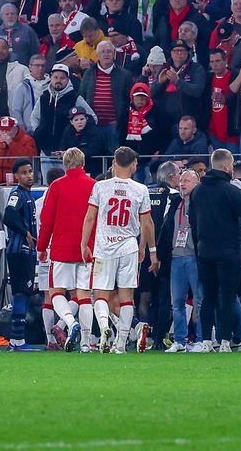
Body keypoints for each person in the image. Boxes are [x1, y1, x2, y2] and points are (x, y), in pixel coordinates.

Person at [80, 146, 156, 354]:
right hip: (128, 246)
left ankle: (105, 328)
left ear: (113, 163)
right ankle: (121, 343)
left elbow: (89, 217)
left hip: (104, 247)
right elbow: (147, 223)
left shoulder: (100, 187)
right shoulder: (140, 189)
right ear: (134, 165)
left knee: (101, 295)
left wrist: (83, 242)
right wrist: (146, 248)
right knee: (127, 297)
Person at [188, 149, 241, 352]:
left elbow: (193, 223)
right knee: (228, 297)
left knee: (208, 297)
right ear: (226, 166)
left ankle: (206, 340)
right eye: (231, 166)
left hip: (205, 252)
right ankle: (224, 341)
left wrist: (199, 247)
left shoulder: (197, 191)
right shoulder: (232, 191)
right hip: (229, 252)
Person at [37, 147, 95, 352]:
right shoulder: (94, 185)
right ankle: (86, 343)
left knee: (56, 292)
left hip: (61, 248)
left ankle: (70, 323)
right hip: (86, 249)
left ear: (64, 164)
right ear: (83, 163)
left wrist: (41, 247)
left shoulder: (56, 186)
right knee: (84, 295)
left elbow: (47, 221)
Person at [161, 168, 204, 352]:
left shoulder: (201, 203)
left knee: (199, 301)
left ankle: (202, 339)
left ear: (196, 184)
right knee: (177, 301)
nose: (182, 183)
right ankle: (179, 340)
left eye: (187, 180)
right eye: (182, 180)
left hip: (195, 257)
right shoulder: (175, 203)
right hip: (177, 257)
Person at [0, 159, 39, 351]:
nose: (28, 175)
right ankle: (16, 340)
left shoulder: (28, 195)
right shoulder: (17, 194)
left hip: (26, 251)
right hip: (19, 250)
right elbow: (8, 216)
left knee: (23, 293)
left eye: (30, 171)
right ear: (16, 176)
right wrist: (25, 233)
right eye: (24, 173)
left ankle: (17, 339)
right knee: (21, 293)